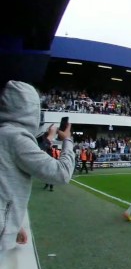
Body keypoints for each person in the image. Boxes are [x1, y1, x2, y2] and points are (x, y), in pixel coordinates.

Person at [0, 80, 75, 251]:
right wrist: (68, 140)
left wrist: (14, 226)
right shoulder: (16, 138)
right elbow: (62, 174)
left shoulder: (5, 133)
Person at [39, 124, 57, 191]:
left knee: (51, 174)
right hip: (47, 159)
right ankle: (47, 185)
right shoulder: (45, 141)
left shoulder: (50, 143)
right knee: (47, 174)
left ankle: (51, 187)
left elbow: (49, 146)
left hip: (51, 160)